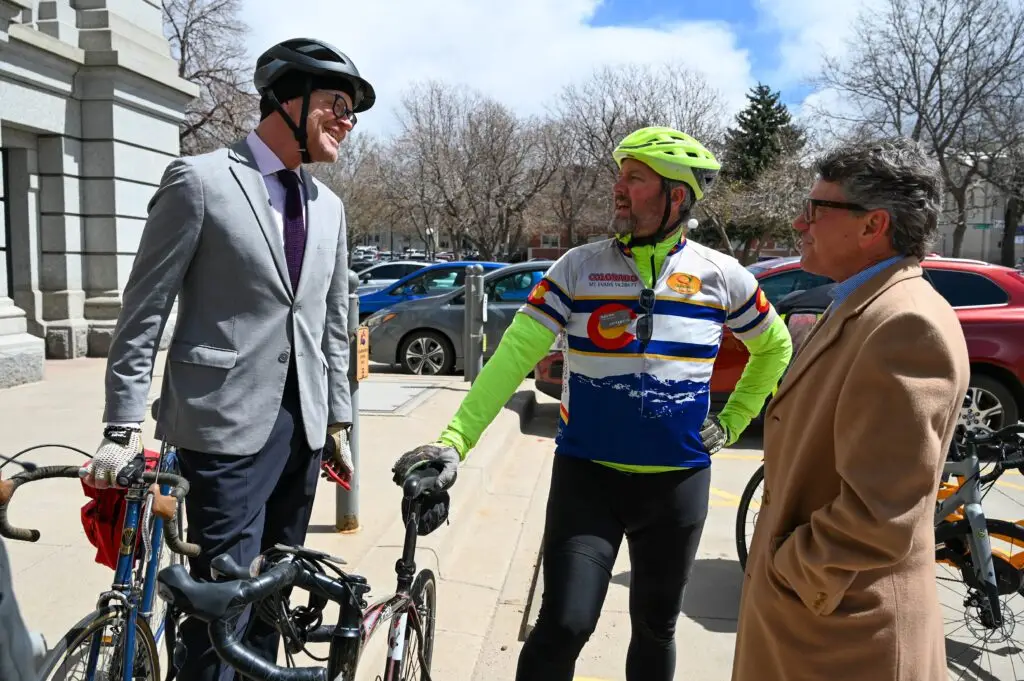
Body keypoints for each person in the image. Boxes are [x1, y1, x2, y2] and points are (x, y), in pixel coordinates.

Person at [392, 126, 794, 681]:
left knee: (656, 627)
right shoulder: (579, 268)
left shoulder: (720, 276)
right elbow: (512, 357)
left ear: (677, 195)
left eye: (635, 177)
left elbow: (775, 346)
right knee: (564, 624)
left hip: (676, 484)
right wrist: (454, 440)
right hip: (588, 480)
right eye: (620, 175)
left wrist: (732, 420)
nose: (618, 187)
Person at [82, 37, 375, 680]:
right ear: (286, 100)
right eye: (336, 104)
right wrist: (119, 426)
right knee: (219, 607)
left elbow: (330, 322)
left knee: (274, 594)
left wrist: (339, 423)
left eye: (352, 111)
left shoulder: (330, 209)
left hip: (304, 429)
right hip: (223, 427)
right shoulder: (202, 180)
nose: (346, 121)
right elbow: (144, 311)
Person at [731, 138, 970, 681]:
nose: (799, 222)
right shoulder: (863, 305)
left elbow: (881, 514)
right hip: (816, 625)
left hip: (844, 641)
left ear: (872, 226)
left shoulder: (905, 324)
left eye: (816, 209)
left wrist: (788, 567)